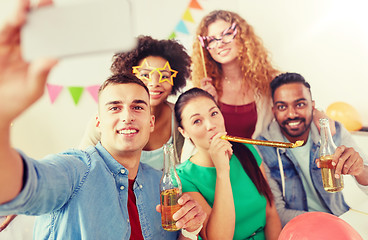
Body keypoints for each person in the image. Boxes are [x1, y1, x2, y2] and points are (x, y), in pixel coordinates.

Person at [0, 1, 206, 239]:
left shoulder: (159, 185)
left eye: (138, 107)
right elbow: (20, 187)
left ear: (150, 122)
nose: (127, 116)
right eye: (115, 107)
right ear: (98, 122)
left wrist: (191, 230)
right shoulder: (76, 170)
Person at [257, 72, 368, 226]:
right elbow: (277, 213)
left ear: (313, 106)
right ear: (273, 110)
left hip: (342, 221)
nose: (291, 114)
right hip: (302, 229)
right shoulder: (263, 147)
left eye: (300, 104)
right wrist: (327, 224)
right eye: (282, 106)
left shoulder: (334, 131)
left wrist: (360, 169)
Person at [174, 88, 281, 239]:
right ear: (184, 132)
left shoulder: (247, 150)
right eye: (197, 121)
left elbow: (270, 212)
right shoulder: (183, 178)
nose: (211, 125)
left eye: (214, 113)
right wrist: (222, 170)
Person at [79, 35, 191, 169]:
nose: (155, 83)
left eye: (164, 76)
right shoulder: (105, 120)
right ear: (129, 76)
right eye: (145, 75)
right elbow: (82, 164)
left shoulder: (180, 117)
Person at [192, 9, 279, 139]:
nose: (220, 44)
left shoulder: (268, 81)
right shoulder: (202, 88)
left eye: (227, 34)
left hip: (260, 159)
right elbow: (196, 139)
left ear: (243, 37)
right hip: (219, 159)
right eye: (211, 40)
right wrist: (208, 105)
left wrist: (317, 115)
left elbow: (297, 106)